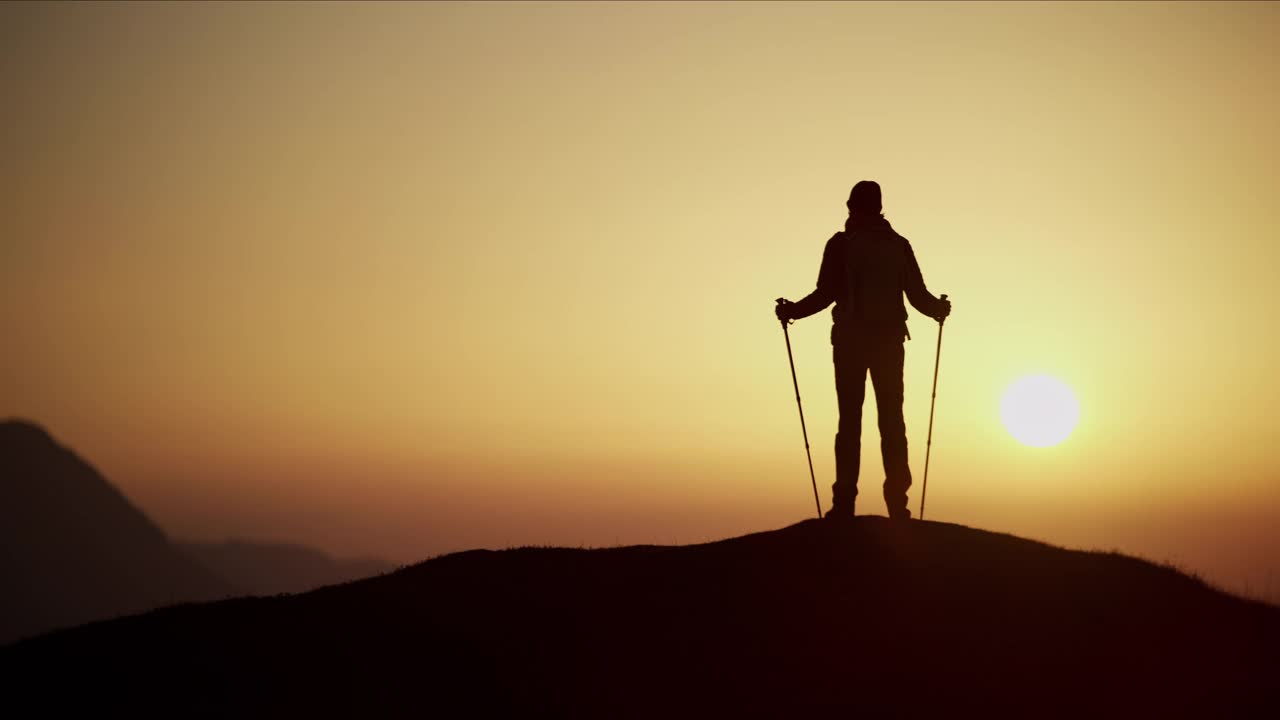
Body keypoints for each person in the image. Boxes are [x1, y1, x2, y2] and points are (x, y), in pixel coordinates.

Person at [775, 181, 950, 520]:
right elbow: (917, 296)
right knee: (892, 422)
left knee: (849, 421)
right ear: (880, 207)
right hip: (889, 343)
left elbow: (825, 293)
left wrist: (792, 311)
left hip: (850, 343)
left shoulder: (841, 244)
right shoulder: (898, 245)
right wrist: (938, 309)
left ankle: (844, 505)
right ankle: (898, 505)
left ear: (851, 206)